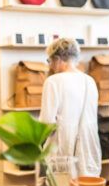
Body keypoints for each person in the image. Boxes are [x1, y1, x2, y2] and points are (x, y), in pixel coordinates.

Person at [39, 38, 101, 176]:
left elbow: (46, 123)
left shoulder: (53, 82)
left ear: (57, 58)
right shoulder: (89, 81)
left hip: (62, 151)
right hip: (88, 149)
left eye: (49, 61)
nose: (50, 66)